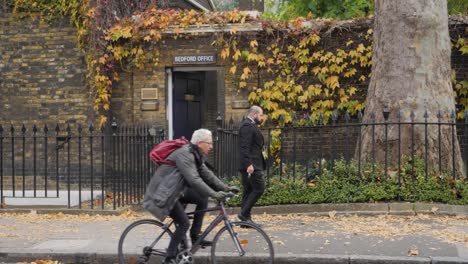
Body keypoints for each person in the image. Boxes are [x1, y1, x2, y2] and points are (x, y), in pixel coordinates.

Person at [143, 128, 240, 264]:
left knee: (202, 198)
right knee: (184, 223)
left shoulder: (195, 153)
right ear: (200, 143)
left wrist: (225, 188)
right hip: (164, 195)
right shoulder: (185, 154)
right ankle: (169, 257)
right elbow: (194, 179)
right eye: (209, 143)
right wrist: (215, 194)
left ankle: (195, 236)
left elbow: (207, 175)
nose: (211, 147)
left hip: (175, 191)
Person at [238, 105, 266, 226]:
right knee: (259, 189)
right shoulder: (247, 126)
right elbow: (244, 146)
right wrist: (249, 164)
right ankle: (244, 214)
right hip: (251, 165)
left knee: (248, 191)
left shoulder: (250, 126)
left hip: (251, 164)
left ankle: (246, 222)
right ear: (254, 114)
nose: (261, 118)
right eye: (260, 115)